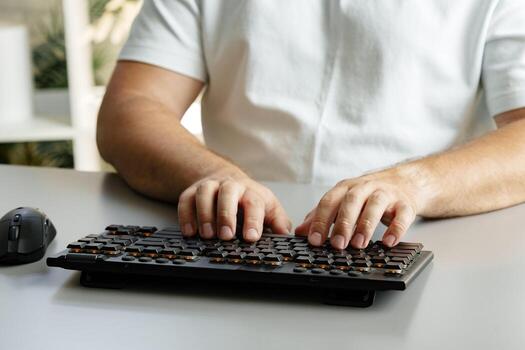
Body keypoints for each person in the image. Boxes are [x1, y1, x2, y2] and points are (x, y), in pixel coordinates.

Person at [97, 0, 525, 250]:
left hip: (414, 241)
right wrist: (215, 175)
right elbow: (130, 108)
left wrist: (411, 185)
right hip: (234, 239)